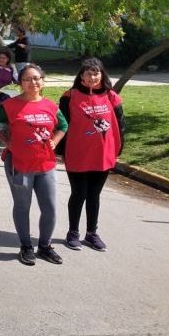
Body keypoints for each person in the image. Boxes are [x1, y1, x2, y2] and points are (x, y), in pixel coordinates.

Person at [0, 64, 67, 266]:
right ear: (20, 83)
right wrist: (5, 140)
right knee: (23, 206)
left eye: (37, 78)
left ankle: (44, 246)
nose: (33, 82)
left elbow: (63, 125)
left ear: (42, 81)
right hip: (19, 164)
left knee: (50, 208)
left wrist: (55, 141)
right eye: (28, 79)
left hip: (46, 165)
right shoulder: (10, 105)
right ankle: (26, 246)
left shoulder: (50, 106)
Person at [59, 58, 124, 252]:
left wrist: (118, 150)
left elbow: (120, 125)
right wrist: (61, 151)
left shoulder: (111, 96)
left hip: (103, 154)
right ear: (81, 76)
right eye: (88, 73)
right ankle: (73, 233)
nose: (93, 77)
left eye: (96, 73)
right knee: (79, 194)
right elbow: (62, 126)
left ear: (102, 75)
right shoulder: (69, 96)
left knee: (94, 195)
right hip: (77, 153)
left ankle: (91, 233)